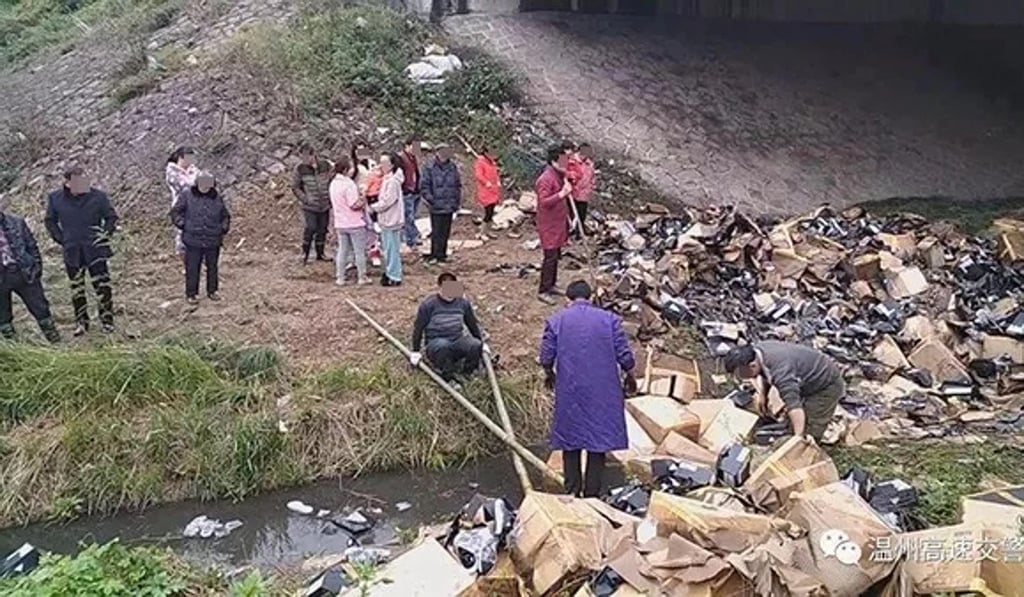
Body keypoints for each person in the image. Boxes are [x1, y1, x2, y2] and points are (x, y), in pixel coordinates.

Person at [540, 280, 636, 498]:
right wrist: (630, 375)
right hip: (604, 389)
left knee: (570, 441)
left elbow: (546, 356)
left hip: (570, 389)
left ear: (568, 299)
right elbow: (625, 356)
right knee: (598, 441)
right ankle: (593, 495)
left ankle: (572, 492)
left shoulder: (557, 321)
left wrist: (549, 374)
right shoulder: (609, 320)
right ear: (591, 298)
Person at [45, 165, 119, 336]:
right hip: (72, 251)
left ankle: (107, 322)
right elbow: (50, 221)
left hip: (96, 250)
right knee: (77, 289)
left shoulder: (98, 197)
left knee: (103, 287)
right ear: (67, 183)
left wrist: (104, 235)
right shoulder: (55, 199)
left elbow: (111, 217)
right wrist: (62, 239)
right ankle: (82, 323)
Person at [722, 341, 845, 441]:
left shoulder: (781, 372)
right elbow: (764, 374)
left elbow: (794, 406)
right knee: (794, 423)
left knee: (811, 427)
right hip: (806, 376)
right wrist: (764, 395)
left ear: (752, 365)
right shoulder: (758, 352)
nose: (743, 378)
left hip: (825, 384)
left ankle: (806, 456)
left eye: (742, 374)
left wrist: (798, 439)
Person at [409, 272, 485, 386]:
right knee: (443, 346)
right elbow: (418, 327)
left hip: (456, 340)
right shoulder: (429, 304)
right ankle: (448, 377)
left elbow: (472, 324)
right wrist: (415, 351)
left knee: (475, 344)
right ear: (440, 287)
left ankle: (467, 374)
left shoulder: (463, 303)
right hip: (436, 343)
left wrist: (481, 343)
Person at [0, 202, 60, 343]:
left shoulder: (16, 222)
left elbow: (31, 245)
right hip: (1, 279)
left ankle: (56, 343)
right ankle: (15, 350)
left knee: (41, 310)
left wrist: (36, 268)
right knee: (3, 318)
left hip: (24, 273)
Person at [170, 172, 230, 306]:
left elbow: (225, 216)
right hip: (192, 239)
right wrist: (183, 224)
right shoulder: (187, 195)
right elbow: (175, 212)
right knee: (192, 268)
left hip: (212, 239)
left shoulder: (217, 198)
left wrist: (223, 228)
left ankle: (212, 291)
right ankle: (191, 294)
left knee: (212, 267)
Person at [535, 145, 573, 304]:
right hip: (548, 224)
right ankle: (543, 290)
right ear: (553, 161)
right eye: (562, 160)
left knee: (556, 255)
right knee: (549, 257)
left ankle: (552, 284)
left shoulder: (559, 175)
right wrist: (561, 194)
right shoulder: (546, 178)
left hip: (558, 222)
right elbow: (543, 202)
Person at [330, 155, 369, 286]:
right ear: (346, 169)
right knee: (359, 251)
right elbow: (354, 204)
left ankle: (340, 277)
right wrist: (363, 198)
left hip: (340, 223)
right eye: (351, 167)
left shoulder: (333, 183)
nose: (353, 169)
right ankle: (362, 277)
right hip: (354, 223)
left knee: (342, 250)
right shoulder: (349, 184)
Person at [420, 143, 462, 264]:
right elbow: (424, 186)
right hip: (436, 205)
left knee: (445, 231)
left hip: (449, 204)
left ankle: (442, 255)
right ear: (437, 152)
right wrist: (431, 199)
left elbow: (457, 185)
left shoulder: (452, 167)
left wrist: (456, 201)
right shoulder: (429, 167)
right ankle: (435, 255)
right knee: (437, 231)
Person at [292, 144, 333, 264]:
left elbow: (332, 179)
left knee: (323, 229)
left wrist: (330, 198)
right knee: (310, 228)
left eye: (306, 157)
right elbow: (295, 187)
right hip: (310, 205)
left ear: (313, 154)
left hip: (324, 204)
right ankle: (305, 253)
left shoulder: (325, 165)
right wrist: (305, 199)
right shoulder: (300, 169)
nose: (304, 160)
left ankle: (321, 253)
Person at [370, 153, 404, 287]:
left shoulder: (393, 182)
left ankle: (394, 275)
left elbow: (387, 201)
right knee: (389, 248)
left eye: (384, 163)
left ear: (392, 165)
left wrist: (374, 207)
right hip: (387, 219)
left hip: (391, 220)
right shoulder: (387, 179)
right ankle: (390, 272)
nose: (381, 166)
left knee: (391, 249)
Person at [165, 146, 198, 270]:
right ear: (181, 158)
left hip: (197, 207)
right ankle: (187, 265)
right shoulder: (171, 172)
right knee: (182, 238)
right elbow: (184, 186)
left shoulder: (194, 170)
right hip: (181, 209)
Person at [353, 141, 382, 268]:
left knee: (373, 228)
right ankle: (356, 256)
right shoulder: (353, 166)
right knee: (358, 229)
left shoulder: (373, 164)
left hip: (372, 199)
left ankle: (374, 253)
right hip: (357, 200)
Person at [567, 143, 595, 240]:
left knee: (581, 215)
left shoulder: (589, 164)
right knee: (569, 213)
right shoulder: (570, 160)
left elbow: (591, 178)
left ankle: (579, 234)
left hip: (583, 194)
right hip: (571, 192)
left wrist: (590, 188)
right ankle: (567, 233)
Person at [398, 137, 422, 249]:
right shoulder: (401, 158)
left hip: (415, 190)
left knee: (412, 215)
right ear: (407, 146)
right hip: (407, 191)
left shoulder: (413, 158)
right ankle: (411, 240)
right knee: (409, 216)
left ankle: (413, 236)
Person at [473, 145, 500, 241]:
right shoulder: (480, 162)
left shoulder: (492, 162)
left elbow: (495, 173)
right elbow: (478, 175)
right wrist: (486, 182)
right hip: (485, 190)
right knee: (487, 212)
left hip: (493, 190)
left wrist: (497, 181)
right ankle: (482, 232)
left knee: (492, 211)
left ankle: (488, 231)